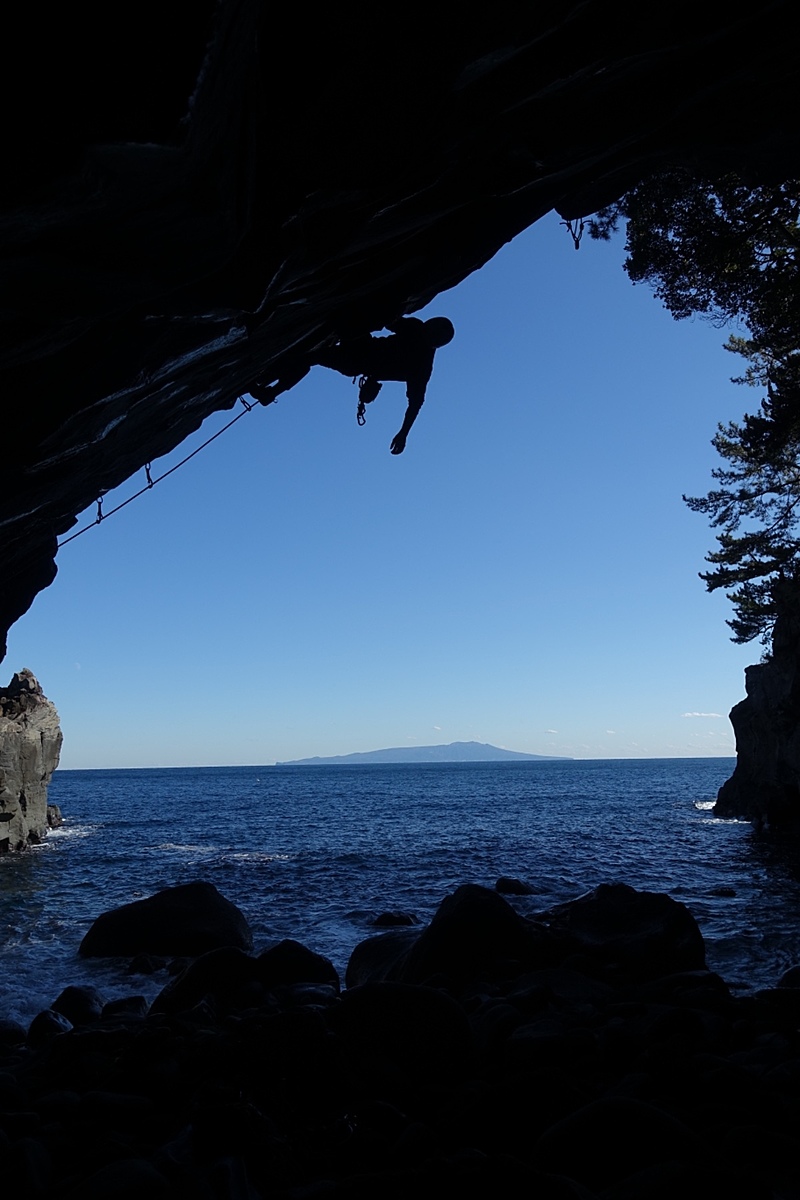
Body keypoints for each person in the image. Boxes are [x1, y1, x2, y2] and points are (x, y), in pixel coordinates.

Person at [249, 316, 454, 454]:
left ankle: (270, 389)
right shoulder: (421, 356)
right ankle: (270, 391)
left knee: (312, 357)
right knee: (312, 357)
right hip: (360, 356)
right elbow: (389, 319)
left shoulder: (420, 356)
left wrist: (403, 433)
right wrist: (403, 434)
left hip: (358, 357)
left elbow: (387, 319)